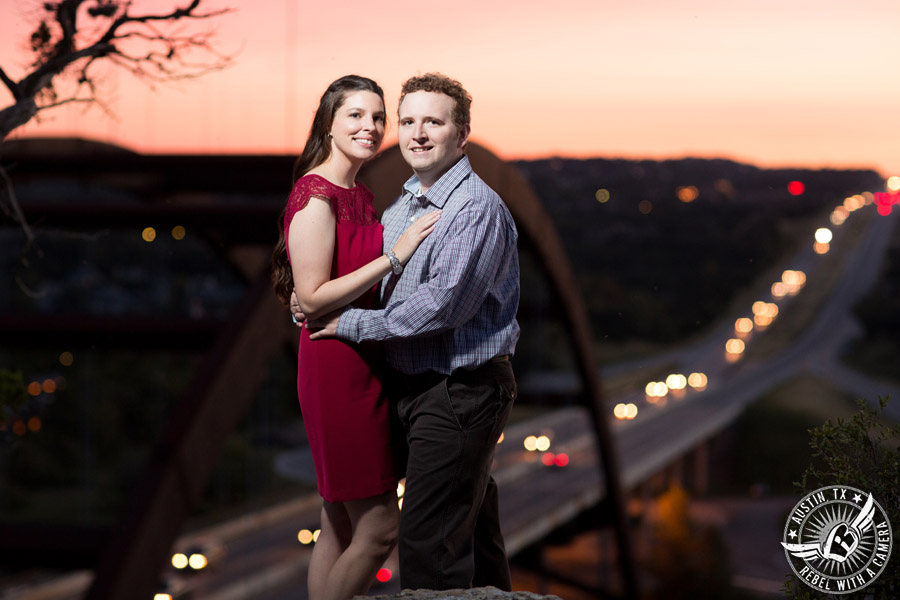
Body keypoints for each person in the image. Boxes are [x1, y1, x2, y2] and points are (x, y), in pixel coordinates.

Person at [305, 73, 520, 591]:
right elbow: (380, 283)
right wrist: (310, 295)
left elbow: (440, 308)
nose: (417, 133)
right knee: (468, 528)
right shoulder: (403, 204)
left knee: (429, 543)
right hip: (411, 388)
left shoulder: (473, 208)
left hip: (459, 391)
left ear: (461, 133)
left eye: (434, 122)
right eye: (407, 122)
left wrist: (348, 322)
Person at [271, 74, 441, 600]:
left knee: (339, 521)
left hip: (364, 359)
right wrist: (395, 256)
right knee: (379, 530)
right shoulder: (315, 197)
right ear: (328, 121)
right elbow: (316, 295)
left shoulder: (359, 195)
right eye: (355, 115)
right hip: (335, 368)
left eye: (377, 117)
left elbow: (324, 289)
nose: (370, 127)